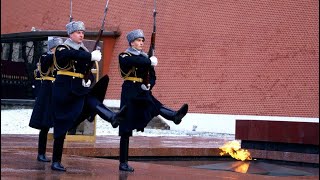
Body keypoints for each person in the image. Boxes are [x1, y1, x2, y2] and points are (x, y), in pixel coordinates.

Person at [51, 21, 125, 171]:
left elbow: (89, 74)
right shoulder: (62, 48)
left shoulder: (83, 51)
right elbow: (68, 56)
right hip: (64, 91)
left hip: (79, 89)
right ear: (70, 34)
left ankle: (112, 117)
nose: (81, 35)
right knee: (61, 125)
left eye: (82, 32)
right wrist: (89, 55)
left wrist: (87, 80)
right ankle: (55, 161)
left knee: (92, 99)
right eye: (78, 32)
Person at [118, 29, 188, 172]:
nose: (141, 43)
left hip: (142, 89)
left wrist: (149, 84)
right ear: (131, 42)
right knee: (125, 127)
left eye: (142, 41)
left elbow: (153, 76)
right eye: (138, 40)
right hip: (130, 90)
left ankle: (174, 116)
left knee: (154, 104)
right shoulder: (125, 55)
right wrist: (149, 60)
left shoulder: (145, 57)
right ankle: (123, 162)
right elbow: (134, 61)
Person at [29, 37, 64, 162]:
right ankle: (41, 153)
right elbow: (45, 65)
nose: (60, 50)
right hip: (48, 91)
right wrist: (56, 54)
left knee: (60, 124)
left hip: (59, 90)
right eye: (58, 47)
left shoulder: (61, 58)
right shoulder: (45, 56)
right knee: (45, 125)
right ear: (52, 48)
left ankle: (57, 155)